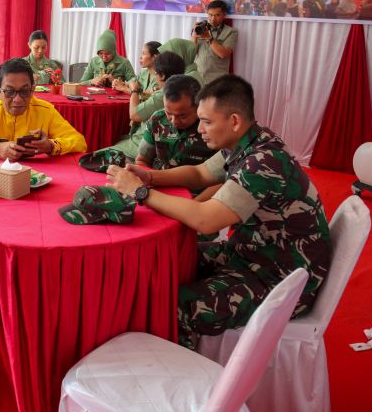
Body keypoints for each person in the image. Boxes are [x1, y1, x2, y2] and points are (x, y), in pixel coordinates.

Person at [105, 75, 331, 350]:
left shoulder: (262, 162)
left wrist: (141, 193)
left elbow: (205, 218)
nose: (200, 129)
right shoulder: (249, 141)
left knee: (169, 307)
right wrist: (151, 178)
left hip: (279, 280)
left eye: (207, 121)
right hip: (250, 255)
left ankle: (183, 383)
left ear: (234, 121)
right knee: (163, 262)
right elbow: (201, 173)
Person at [0, 58, 87, 161]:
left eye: (24, 92)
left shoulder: (46, 111)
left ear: (32, 90)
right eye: (10, 92)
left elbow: (79, 142)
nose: (17, 99)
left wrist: (50, 146)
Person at [87, 51, 185, 163]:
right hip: (159, 144)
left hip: (145, 144)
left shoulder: (164, 94)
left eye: (156, 73)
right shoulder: (183, 88)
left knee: (92, 159)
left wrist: (133, 90)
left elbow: (134, 115)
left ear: (162, 75)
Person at [135, 74, 212, 170]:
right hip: (156, 180)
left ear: (198, 107)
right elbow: (142, 160)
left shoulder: (211, 128)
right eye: (169, 114)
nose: (174, 121)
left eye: (182, 116)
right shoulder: (157, 120)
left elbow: (222, 175)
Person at [192, 0, 237, 85]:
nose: (213, 19)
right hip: (198, 77)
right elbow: (191, 53)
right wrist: (194, 36)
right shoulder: (201, 28)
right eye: (210, 15)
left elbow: (223, 54)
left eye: (217, 15)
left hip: (218, 80)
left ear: (224, 15)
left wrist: (209, 38)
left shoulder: (231, 32)